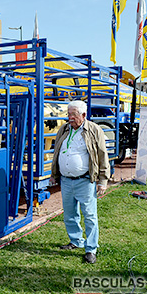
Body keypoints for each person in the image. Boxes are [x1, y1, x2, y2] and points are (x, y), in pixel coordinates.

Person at [51, 100, 110, 264]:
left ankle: (91, 249)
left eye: (73, 114)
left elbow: (102, 155)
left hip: (85, 180)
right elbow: (57, 152)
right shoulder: (64, 129)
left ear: (83, 115)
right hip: (66, 180)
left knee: (90, 216)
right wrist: (54, 174)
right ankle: (76, 241)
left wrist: (103, 180)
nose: (70, 117)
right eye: (68, 114)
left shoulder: (93, 130)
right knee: (70, 215)